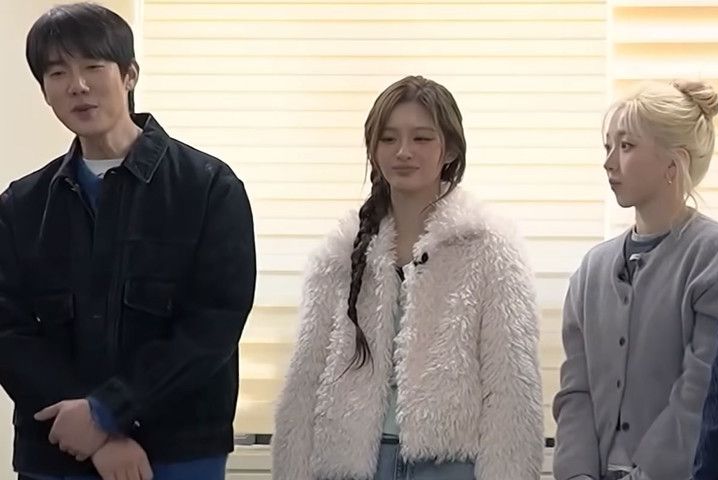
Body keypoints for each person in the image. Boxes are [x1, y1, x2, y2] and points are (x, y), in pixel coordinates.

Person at [0, 3, 256, 479]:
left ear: (130, 75)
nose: (78, 85)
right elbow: (9, 332)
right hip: (57, 451)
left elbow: (213, 326)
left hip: (178, 450)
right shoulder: (21, 205)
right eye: (58, 73)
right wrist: (91, 432)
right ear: (45, 91)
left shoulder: (208, 188)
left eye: (93, 66)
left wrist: (107, 412)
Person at [271, 75, 544, 480]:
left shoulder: (491, 250)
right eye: (388, 139)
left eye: (421, 138)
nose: (403, 152)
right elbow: (304, 385)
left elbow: (513, 391)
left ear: (450, 149)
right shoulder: (338, 255)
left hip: (449, 465)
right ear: (373, 149)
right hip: (349, 464)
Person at [553, 80, 718, 480]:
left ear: (673, 164)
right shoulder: (591, 270)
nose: (609, 163)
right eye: (607, 147)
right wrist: (577, 474)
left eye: (626, 146)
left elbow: (697, 394)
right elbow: (576, 391)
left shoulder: (710, 257)